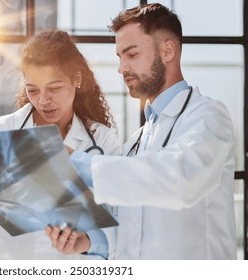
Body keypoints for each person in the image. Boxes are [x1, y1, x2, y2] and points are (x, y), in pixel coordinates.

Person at [46, 3, 237, 259]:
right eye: (119, 57)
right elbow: (130, 227)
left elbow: (180, 179)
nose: (121, 68)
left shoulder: (209, 116)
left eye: (132, 54)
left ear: (167, 51)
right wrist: (89, 241)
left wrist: (75, 162)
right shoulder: (136, 140)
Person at [0, 30, 121, 259]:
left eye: (54, 88)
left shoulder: (103, 140)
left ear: (77, 79)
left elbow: (119, 221)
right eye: (33, 90)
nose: (43, 100)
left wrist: (86, 240)